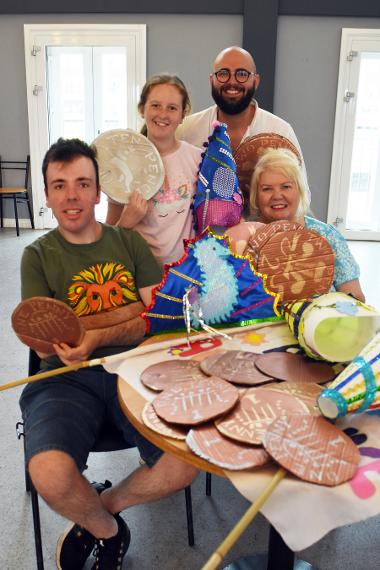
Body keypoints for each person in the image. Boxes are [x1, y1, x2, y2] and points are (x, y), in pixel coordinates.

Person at [19, 138, 197, 570]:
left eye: (82, 183)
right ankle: (108, 530)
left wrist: (90, 333)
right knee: (48, 472)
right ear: (47, 195)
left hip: (136, 370)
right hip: (63, 377)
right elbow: (43, 341)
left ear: (99, 191)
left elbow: (156, 315)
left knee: (184, 464)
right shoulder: (35, 256)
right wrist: (122, 314)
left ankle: (105, 503)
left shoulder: (129, 243)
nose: (71, 196)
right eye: (59, 185)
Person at [106, 74, 202, 266]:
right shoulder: (121, 164)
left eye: (172, 108)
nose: (163, 114)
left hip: (184, 272)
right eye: (155, 105)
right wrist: (127, 220)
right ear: (142, 109)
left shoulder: (198, 159)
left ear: (183, 115)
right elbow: (109, 238)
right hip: (138, 271)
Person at [249, 147, 365, 301]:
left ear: (300, 190)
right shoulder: (247, 239)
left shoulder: (327, 236)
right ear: (256, 196)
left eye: (286, 186)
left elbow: (357, 299)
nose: (277, 195)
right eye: (267, 189)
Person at [176, 46, 303, 156]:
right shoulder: (186, 131)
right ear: (211, 80)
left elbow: (298, 184)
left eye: (242, 74)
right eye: (223, 73)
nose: (232, 82)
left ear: (256, 81)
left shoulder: (280, 132)